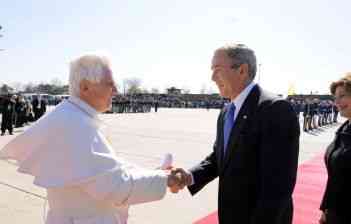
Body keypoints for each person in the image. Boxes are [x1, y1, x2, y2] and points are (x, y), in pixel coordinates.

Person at [0, 54, 186, 224]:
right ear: (85, 87)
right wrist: (166, 179)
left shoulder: (72, 117)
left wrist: (156, 173)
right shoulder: (75, 125)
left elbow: (108, 168)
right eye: (109, 84)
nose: (115, 91)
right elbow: (116, 186)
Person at [173, 43, 300, 224]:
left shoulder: (275, 109)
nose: (212, 77)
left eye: (217, 69)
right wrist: (189, 176)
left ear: (242, 70)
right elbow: (219, 158)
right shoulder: (226, 112)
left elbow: (278, 187)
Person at [319, 73, 351, 224]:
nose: (336, 102)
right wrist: (326, 209)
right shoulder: (344, 129)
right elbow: (334, 178)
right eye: (335, 97)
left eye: (342, 96)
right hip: (335, 213)